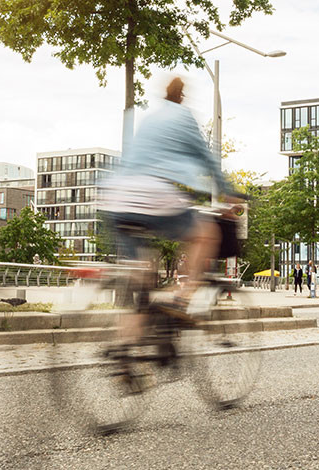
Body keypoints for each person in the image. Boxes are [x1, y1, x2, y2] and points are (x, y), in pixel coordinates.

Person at [99, 76, 241, 322]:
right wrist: (226, 191)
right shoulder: (184, 117)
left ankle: (124, 350)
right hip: (154, 193)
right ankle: (180, 299)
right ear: (181, 96)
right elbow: (207, 158)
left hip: (117, 197)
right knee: (206, 234)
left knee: (141, 276)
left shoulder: (149, 119)